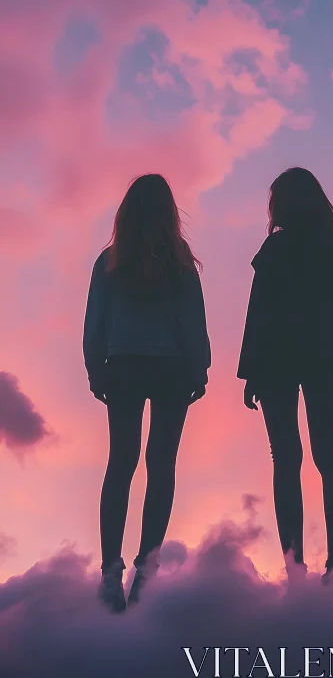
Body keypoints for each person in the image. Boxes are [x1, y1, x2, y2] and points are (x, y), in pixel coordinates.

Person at [83, 173, 210, 612]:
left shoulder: (110, 262)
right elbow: (193, 321)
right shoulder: (180, 262)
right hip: (171, 368)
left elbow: (94, 322)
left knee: (121, 463)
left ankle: (110, 570)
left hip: (123, 364)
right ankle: (146, 571)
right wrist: (200, 369)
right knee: (161, 466)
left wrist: (95, 369)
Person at [237, 167, 333, 585]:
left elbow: (258, 315)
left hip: (277, 363)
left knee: (289, 460)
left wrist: (251, 372)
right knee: (329, 457)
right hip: (321, 362)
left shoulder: (276, 251)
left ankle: (297, 567)